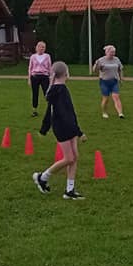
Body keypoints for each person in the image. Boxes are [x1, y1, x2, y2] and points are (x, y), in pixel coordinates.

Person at [32, 61, 85, 200]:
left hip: (70, 126)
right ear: (66, 73)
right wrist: (78, 131)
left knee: (74, 158)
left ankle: (70, 190)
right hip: (63, 127)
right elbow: (63, 113)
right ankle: (42, 177)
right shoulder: (60, 90)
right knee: (69, 158)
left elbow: (58, 112)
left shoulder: (60, 89)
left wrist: (44, 128)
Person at [92, 44, 125, 119]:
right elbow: (95, 70)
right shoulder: (101, 60)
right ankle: (104, 112)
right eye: (111, 52)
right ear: (106, 52)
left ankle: (120, 113)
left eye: (114, 52)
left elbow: (120, 69)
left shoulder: (116, 59)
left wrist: (121, 79)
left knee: (116, 97)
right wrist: (96, 65)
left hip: (114, 81)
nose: (113, 53)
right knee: (106, 98)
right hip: (104, 81)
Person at [27, 40, 52, 117]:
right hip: (35, 77)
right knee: (35, 93)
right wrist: (29, 78)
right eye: (40, 47)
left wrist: (51, 77)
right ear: (37, 48)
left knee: (47, 93)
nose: (41, 48)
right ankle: (34, 110)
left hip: (44, 76)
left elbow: (49, 67)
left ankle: (50, 109)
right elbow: (30, 68)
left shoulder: (47, 56)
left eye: (43, 47)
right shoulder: (33, 57)